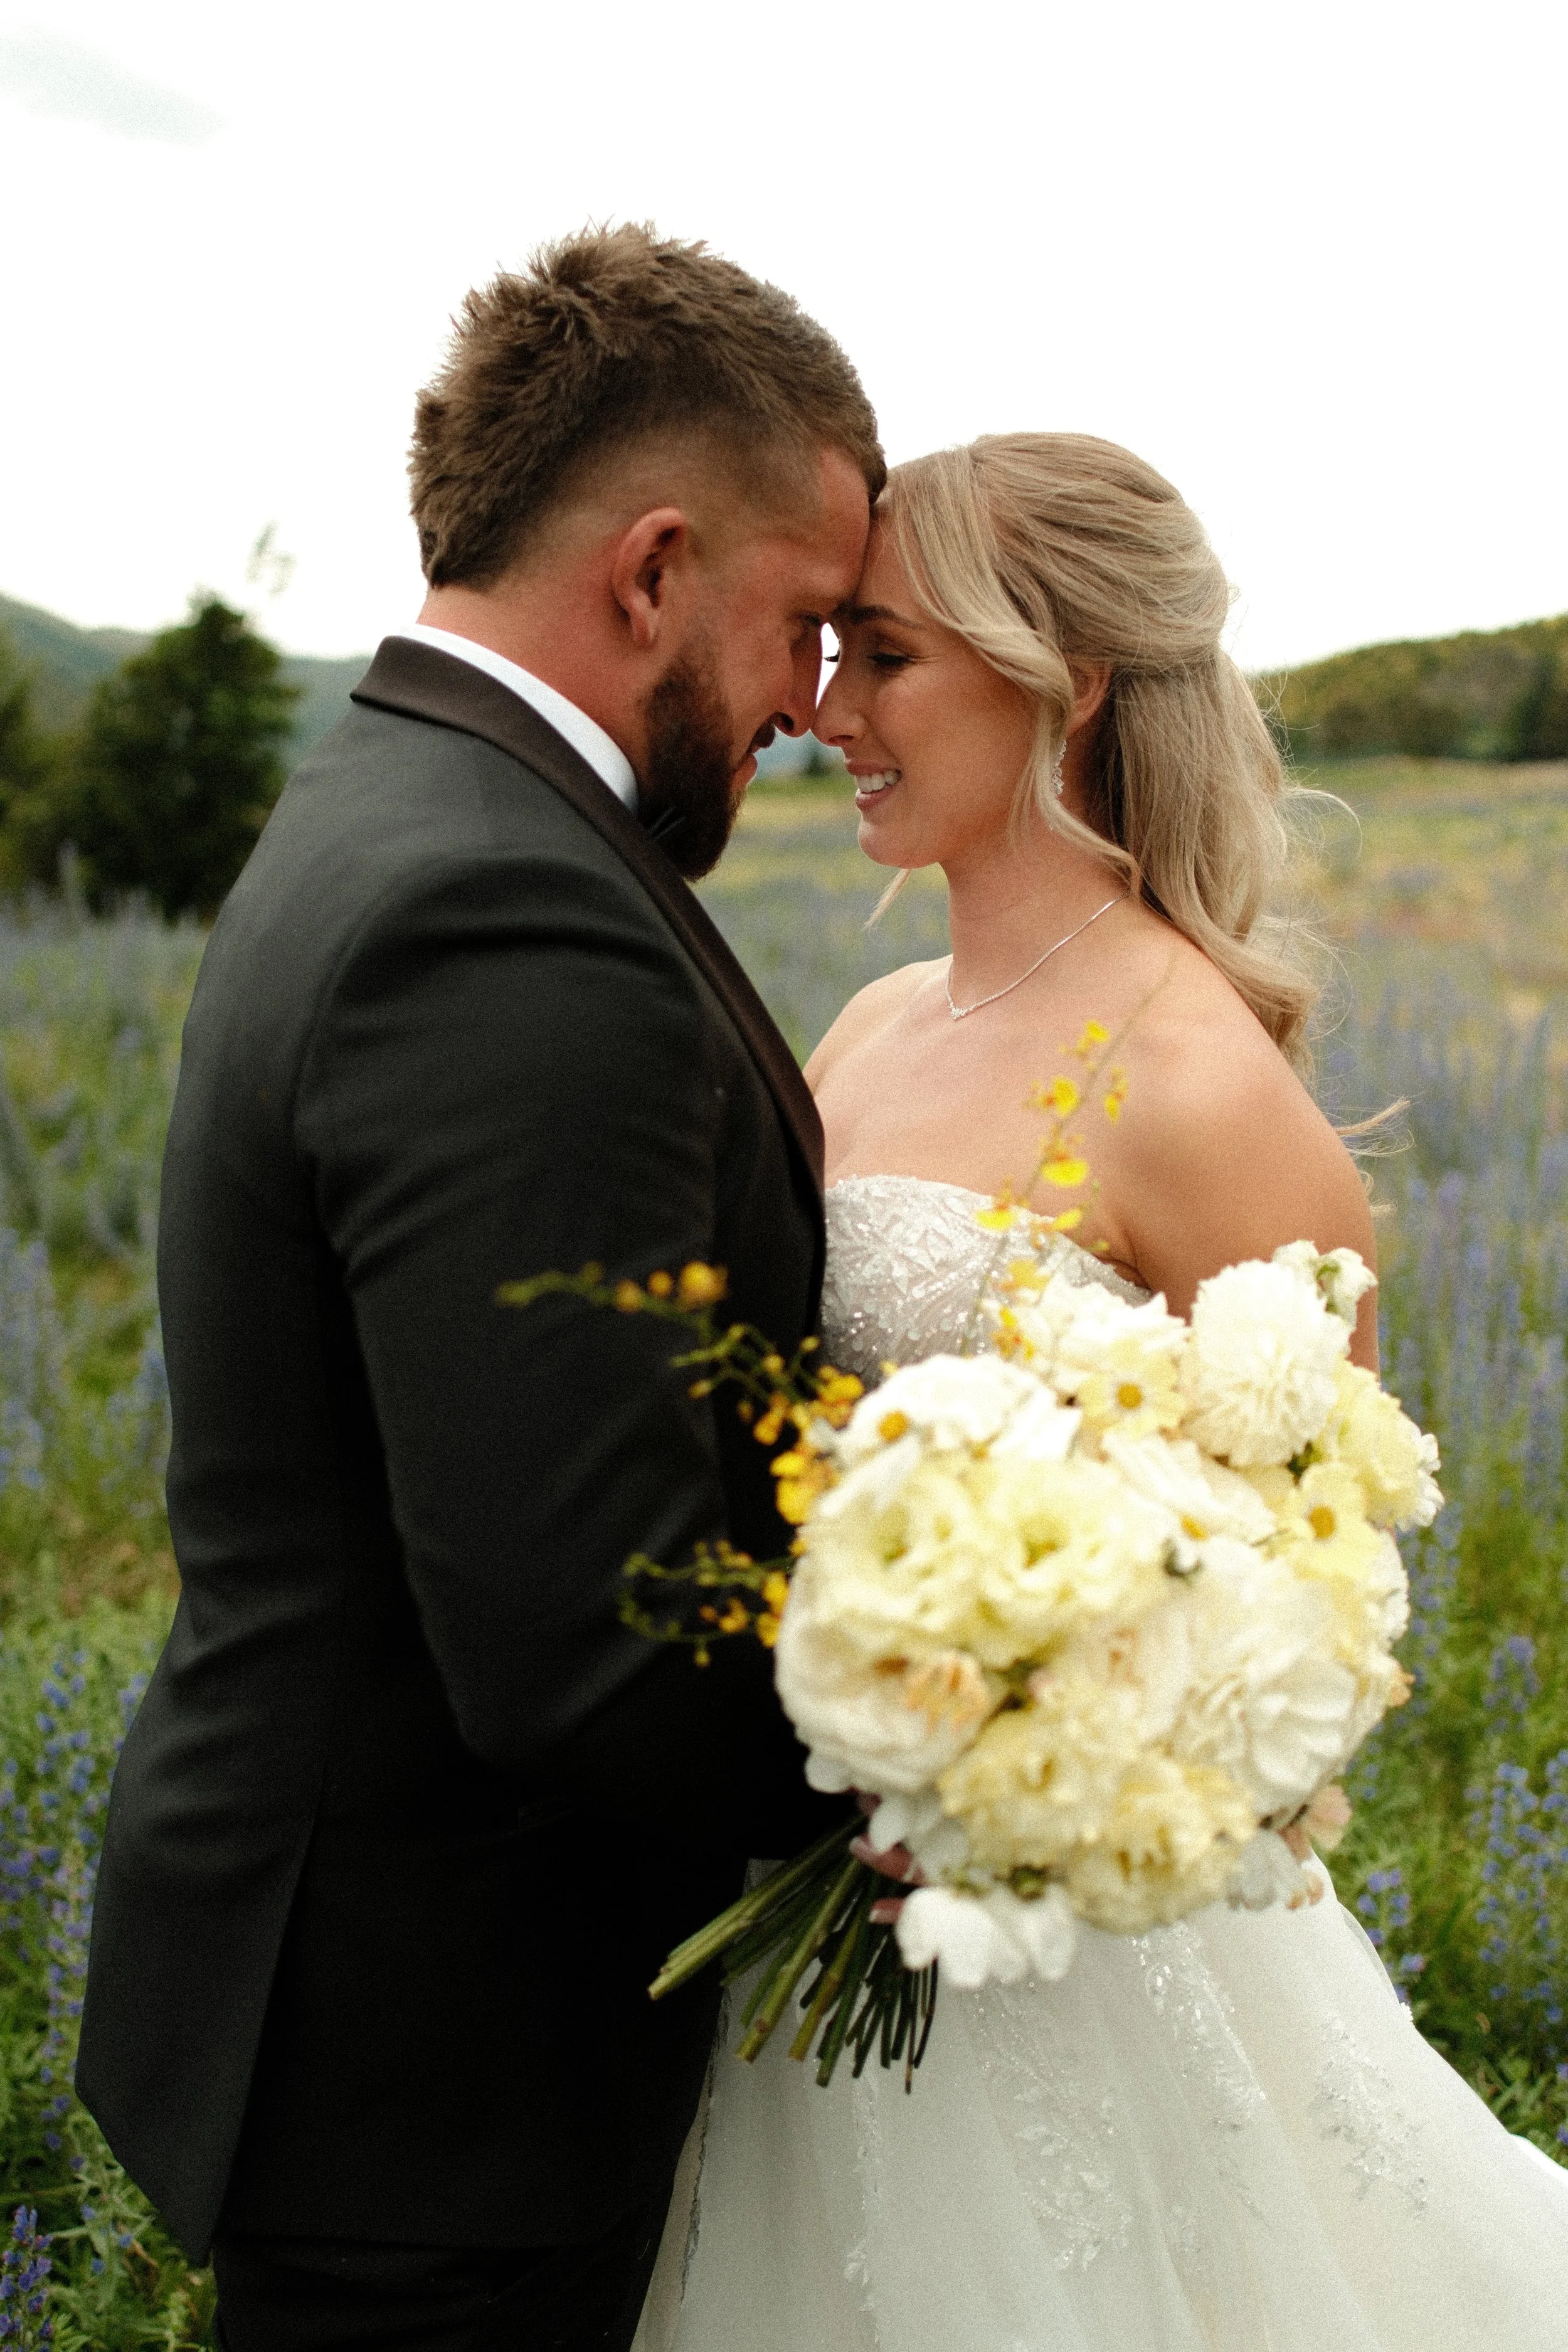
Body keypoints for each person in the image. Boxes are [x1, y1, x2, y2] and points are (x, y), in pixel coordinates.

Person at [633, 434, 1568, 2351]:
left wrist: (1023, 1780)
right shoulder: (875, 1020)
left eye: (881, 653)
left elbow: (1311, 1595)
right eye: (828, 651)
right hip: (794, 1888)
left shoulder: (1200, 1083)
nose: (823, 709)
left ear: (1057, 675)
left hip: (1055, 1962)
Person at [75, 224, 879, 2352]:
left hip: (388, 2027)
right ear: (650, 568)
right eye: (802, 622)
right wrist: (958, 1769)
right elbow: (582, 1644)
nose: (812, 705)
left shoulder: (387, 786)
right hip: (445, 2090)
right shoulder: (505, 916)